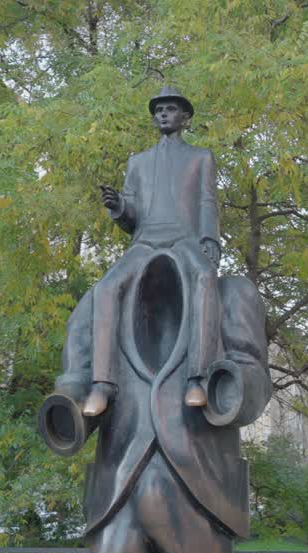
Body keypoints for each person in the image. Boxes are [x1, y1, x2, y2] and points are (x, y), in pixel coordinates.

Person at [39, 88, 272, 553]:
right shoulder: (98, 300)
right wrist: (70, 407)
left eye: (174, 110)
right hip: (118, 490)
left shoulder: (228, 293)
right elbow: (72, 375)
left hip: (197, 494)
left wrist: (225, 387)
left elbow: (254, 378)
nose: (165, 117)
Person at [84, 87, 223, 417]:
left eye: (171, 109)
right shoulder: (137, 162)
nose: (163, 114)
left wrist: (210, 241)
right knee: (105, 288)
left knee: (204, 278)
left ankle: (197, 378)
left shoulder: (200, 157)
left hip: (184, 240)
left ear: (185, 117)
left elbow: (207, 201)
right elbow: (131, 217)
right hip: (144, 243)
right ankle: (102, 385)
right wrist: (119, 207)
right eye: (159, 109)